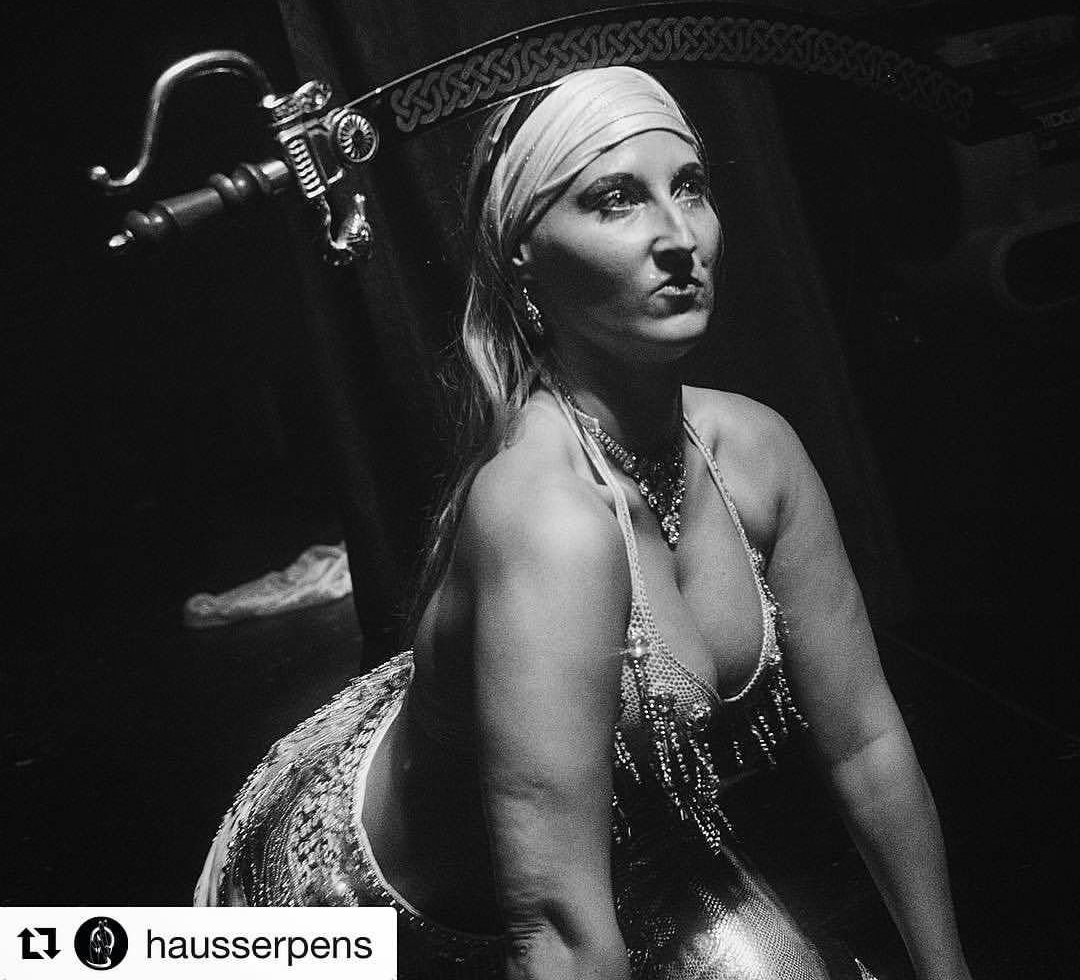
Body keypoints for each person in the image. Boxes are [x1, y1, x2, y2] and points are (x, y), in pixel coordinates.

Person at [195, 66, 972, 980]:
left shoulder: (755, 452)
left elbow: (867, 746)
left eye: (689, 187)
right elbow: (558, 936)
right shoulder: (548, 521)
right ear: (523, 253)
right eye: (616, 200)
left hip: (617, 858)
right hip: (371, 923)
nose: (678, 237)